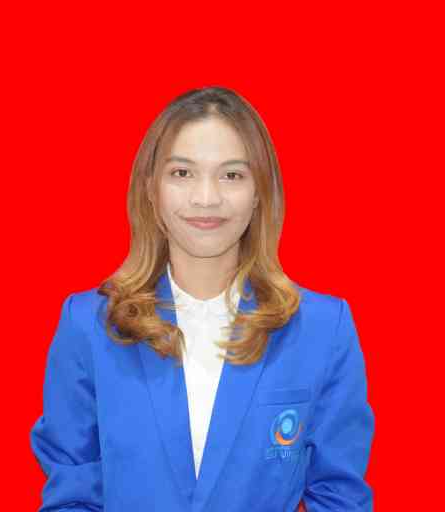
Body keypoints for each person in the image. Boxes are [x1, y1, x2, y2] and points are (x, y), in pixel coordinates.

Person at [30, 86, 375, 511]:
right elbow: (72, 493)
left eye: (232, 175)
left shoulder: (322, 329)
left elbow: (339, 496)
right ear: (151, 188)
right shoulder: (89, 325)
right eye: (182, 173)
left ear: (260, 192)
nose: (206, 198)